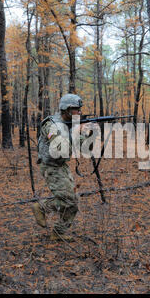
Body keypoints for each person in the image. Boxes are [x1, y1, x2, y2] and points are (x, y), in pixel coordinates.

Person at [31, 94, 92, 242]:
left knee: (73, 202)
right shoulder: (51, 125)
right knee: (69, 201)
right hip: (51, 167)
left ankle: (58, 234)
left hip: (61, 165)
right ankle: (42, 207)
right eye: (76, 109)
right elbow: (61, 149)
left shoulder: (71, 123)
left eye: (79, 109)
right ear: (66, 109)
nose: (79, 112)